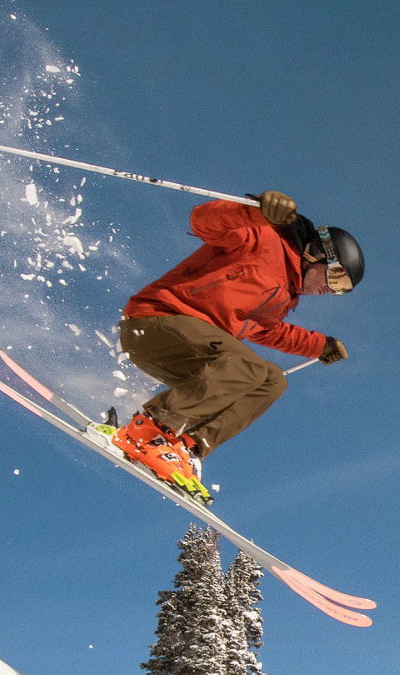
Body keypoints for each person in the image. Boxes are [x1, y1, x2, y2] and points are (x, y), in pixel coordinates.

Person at [110, 191, 363, 503]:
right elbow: (203, 222)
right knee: (249, 366)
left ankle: (185, 446)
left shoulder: (284, 297)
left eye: (341, 290)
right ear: (317, 253)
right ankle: (148, 431)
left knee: (273, 381)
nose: (330, 290)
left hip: (188, 351)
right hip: (154, 322)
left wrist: (319, 345)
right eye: (336, 277)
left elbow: (270, 332)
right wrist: (257, 214)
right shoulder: (263, 238)